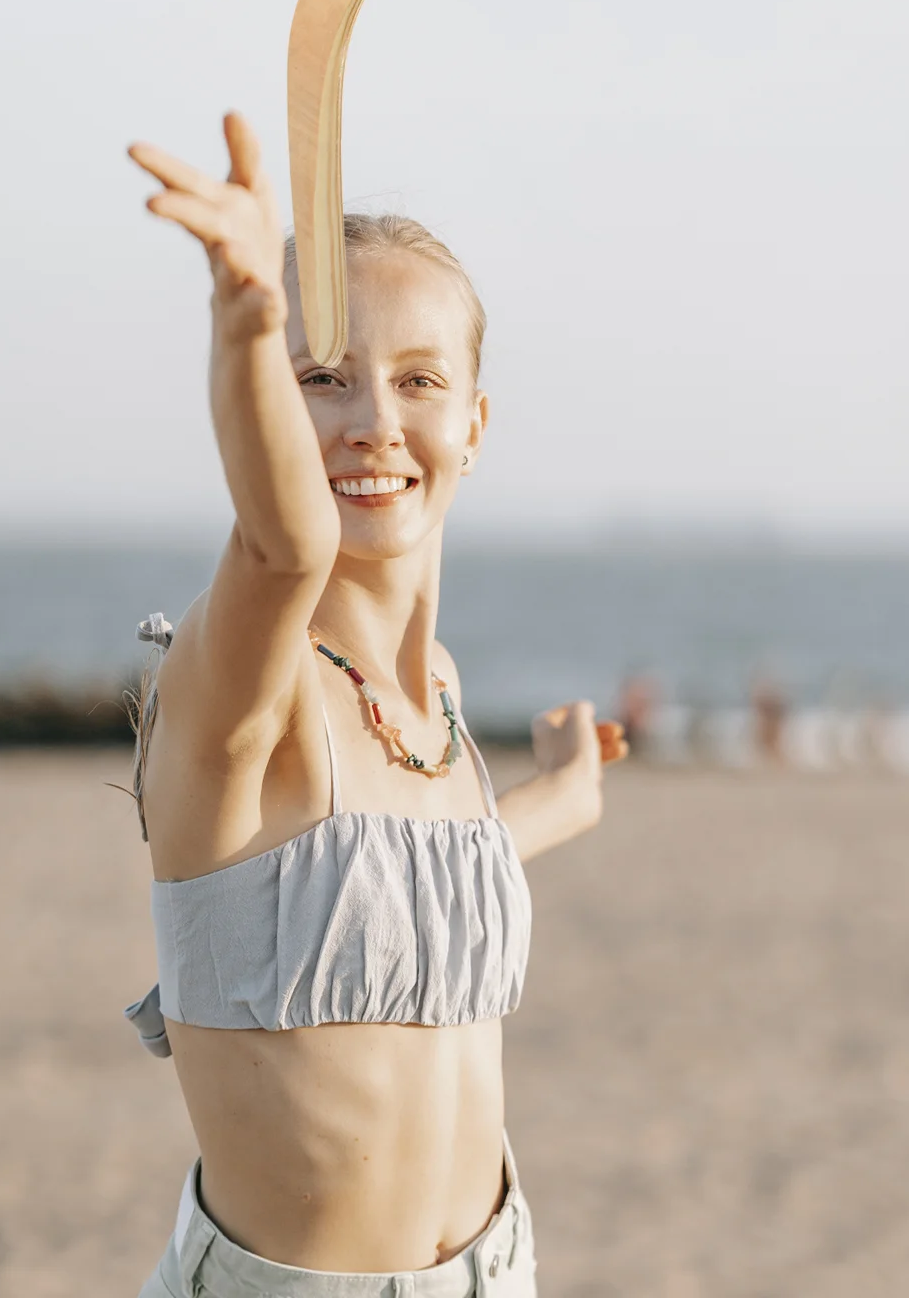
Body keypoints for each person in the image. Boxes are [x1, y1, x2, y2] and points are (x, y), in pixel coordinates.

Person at [123, 112, 628, 1297]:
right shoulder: (247, 684)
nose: (374, 423)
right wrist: (248, 316)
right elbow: (280, 548)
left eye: (417, 382)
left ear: (474, 425)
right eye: (324, 379)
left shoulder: (437, 698)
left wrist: (564, 796)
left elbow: (397, 884)